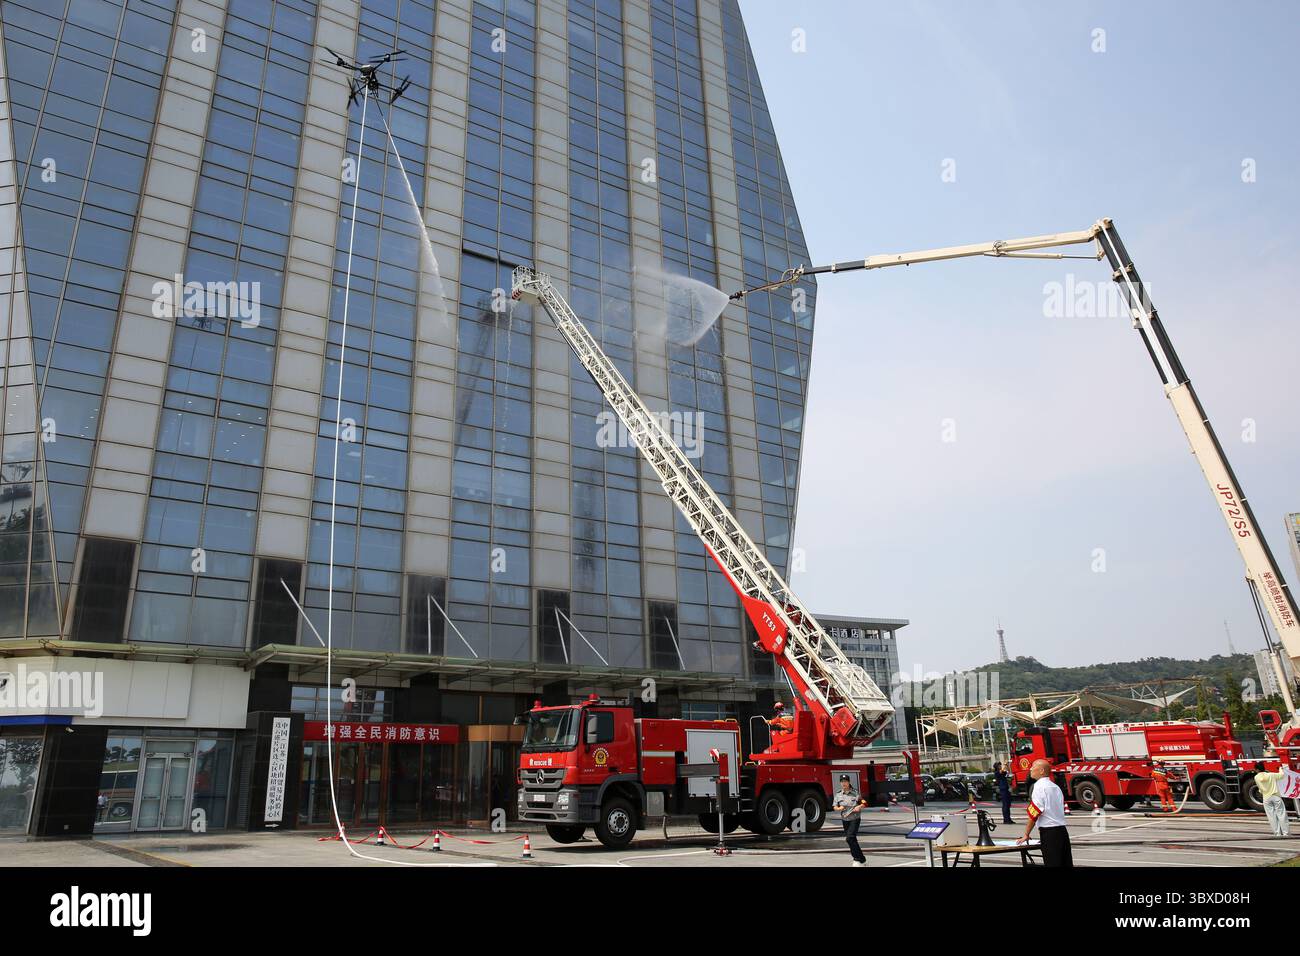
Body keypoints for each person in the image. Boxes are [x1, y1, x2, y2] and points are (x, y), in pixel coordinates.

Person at [1017, 758, 1073, 867]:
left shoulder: (1039, 787)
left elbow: (1034, 813)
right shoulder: (1055, 787)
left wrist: (1026, 834)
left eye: (1033, 766)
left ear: (1042, 771)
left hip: (1049, 833)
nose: (1031, 769)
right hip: (1062, 831)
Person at [831, 773, 867, 867]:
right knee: (852, 839)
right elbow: (834, 807)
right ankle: (862, 860)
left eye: (845, 781)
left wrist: (859, 806)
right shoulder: (838, 794)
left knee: (849, 838)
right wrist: (839, 808)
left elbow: (864, 803)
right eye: (842, 782)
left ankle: (857, 859)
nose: (844, 783)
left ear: (849, 782)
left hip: (855, 818)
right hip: (845, 819)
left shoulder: (855, 793)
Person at [1252, 768, 1291, 838]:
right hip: (1276, 797)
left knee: (1271, 816)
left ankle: (1277, 833)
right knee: (1281, 814)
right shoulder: (1271, 775)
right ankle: (1286, 833)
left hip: (1266, 798)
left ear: (1257, 770)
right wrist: (1280, 769)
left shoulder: (1256, 777)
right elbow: (1282, 775)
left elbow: (1260, 789)